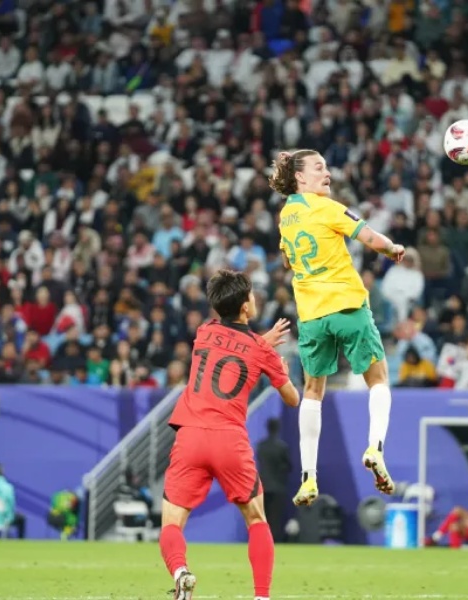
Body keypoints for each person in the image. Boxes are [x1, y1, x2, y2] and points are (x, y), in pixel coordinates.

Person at [269, 149, 406, 507]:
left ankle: (308, 477)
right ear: (300, 177)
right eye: (319, 167)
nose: (327, 173)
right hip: (346, 305)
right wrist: (393, 249)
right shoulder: (328, 208)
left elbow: (286, 260)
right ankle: (375, 448)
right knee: (378, 379)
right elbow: (370, 238)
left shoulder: (285, 217)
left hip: (311, 316)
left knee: (312, 392)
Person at [159, 270, 300, 600]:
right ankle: (261, 596)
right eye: (251, 294)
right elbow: (292, 399)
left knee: (172, 523)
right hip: (229, 441)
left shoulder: (204, 332)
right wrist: (281, 369)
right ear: (246, 306)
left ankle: (180, 572)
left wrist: (261, 343)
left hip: (191, 437)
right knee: (256, 519)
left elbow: (230, 348)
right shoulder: (261, 351)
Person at [256, 418, 292, 542]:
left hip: (263, 487)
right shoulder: (282, 447)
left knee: (263, 516)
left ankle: (262, 540)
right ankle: (274, 541)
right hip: (277, 487)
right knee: (276, 517)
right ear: (277, 428)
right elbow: (287, 467)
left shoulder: (261, 446)